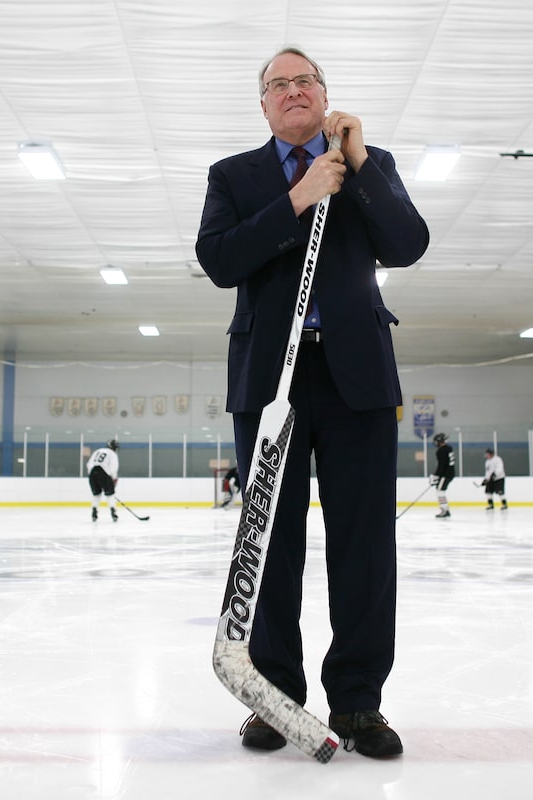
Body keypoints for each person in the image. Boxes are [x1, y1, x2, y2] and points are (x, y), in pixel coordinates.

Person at [196, 46, 429, 759]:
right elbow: (219, 260)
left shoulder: (369, 163)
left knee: (365, 545)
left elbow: (408, 243)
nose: (294, 91)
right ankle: (275, 698)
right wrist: (295, 200)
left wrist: (356, 166)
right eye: (279, 84)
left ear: (325, 96)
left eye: (306, 81)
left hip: (356, 379)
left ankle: (359, 702)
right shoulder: (234, 176)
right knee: (271, 546)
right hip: (271, 382)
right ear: (263, 104)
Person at [86, 439, 119, 522]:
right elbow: (113, 467)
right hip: (103, 472)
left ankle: (94, 512)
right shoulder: (112, 454)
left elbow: (89, 464)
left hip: (92, 472)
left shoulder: (98, 451)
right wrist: (113, 478)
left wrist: (92, 475)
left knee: (96, 494)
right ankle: (113, 511)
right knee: (110, 494)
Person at [430, 432, 455, 518]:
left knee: (440, 491)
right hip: (450, 473)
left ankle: (445, 510)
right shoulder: (449, 448)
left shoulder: (441, 450)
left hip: (445, 474)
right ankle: (445, 509)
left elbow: (441, 465)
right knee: (440, 490)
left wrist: (436, 476)